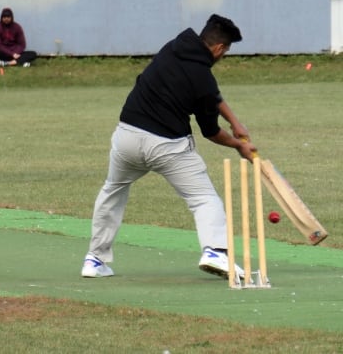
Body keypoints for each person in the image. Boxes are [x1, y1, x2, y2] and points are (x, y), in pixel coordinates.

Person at [80, 14, 256, 280]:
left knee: (113, 189)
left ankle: (94, 259)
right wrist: (237, 145)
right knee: (203, 198)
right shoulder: (203, 79)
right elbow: (210, 131)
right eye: (225, 52)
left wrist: (235, 121)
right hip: (167, 146)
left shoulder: (174, 46)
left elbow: (211, 95)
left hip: (126, 136)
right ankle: (216, 251)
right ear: (219, 49)